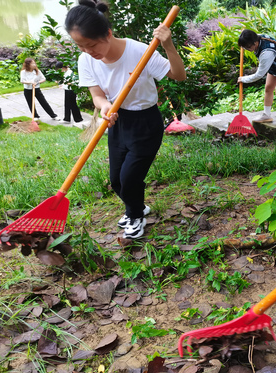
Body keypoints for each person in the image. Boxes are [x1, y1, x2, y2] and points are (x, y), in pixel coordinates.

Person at [65, 0, 186, 239]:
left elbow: (179, 75)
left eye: (91, 45)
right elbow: (97, 96)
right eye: (81, 46)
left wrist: (168, 45)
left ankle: (135, 215)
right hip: (118, 121)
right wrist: (105, 106)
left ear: (108, 34)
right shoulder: (86, 60)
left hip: (145, 122)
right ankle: (137, 206)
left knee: (129, 178)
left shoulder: (140, 51)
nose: (88, 52)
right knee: (116, 181)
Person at [237, 29, 276, 130]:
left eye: (248, 47)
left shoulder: (267, 53)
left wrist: (244, 79)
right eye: (244, 47)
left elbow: (259, 75)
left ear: (255, 43)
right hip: (274, 64)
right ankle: (267, 115)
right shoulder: (256, 38)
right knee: (268, 88)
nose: (247, 49)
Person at [55, 61, 84, 127]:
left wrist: (64, 83)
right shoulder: (65, 73)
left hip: (71, 90)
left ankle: (78, 119)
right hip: (67, 89)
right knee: (67, 104)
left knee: (73, 104)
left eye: (60, 69)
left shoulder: (70, 72)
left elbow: (74, 82)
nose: (60, 70)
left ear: (63, 67)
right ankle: (67, 118)